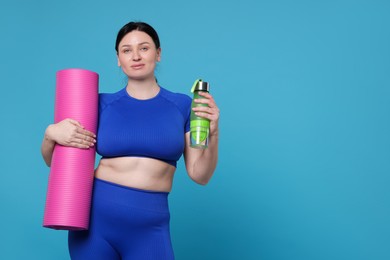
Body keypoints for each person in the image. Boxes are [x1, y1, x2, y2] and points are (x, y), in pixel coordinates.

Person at [41, 21, 219, 260]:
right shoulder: (100, 104)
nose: (135, 56)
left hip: (151, 227)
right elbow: (55, 162)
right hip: (96, 223)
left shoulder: (182, 106)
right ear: (118, 59)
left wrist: (213, 133)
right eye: (126, 50)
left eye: (144, 48)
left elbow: (200, 174)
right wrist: (51, 134)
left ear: (158, 53)